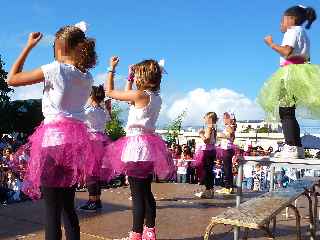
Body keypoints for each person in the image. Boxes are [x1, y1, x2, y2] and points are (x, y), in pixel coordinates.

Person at [6, 22, 106, 240]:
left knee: (52, 211)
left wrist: (28, 46)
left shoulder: (55, 69)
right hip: (75, 144)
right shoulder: (86, 77)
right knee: (68, 207)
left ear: (59, 47)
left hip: (53, 142)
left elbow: (12, 79)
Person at [103, 57, 175, 240]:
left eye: (136, 76)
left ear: (141, 77)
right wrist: (129, 77)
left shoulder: (140, 96)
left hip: (136, 148)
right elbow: (130, 97)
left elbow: (109, 91)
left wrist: (111, 69)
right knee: (146, 192)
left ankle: (135, 234)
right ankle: (150, 231)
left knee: (137, 196)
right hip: (149, 148)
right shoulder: (155, 98)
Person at [258, 5, 319, 158]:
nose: (280, 24)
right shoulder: (303, 33)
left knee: (285, 111)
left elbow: (287, 52)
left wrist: (271, 43)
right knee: (289, 111)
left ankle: (291, 146)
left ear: (291, 19)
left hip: (290, 73)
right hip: (300, 72)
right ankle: (296, 146)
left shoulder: (293, 31)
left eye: (282, 20)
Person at [79, 85, 112, 212]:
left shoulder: (88, 111)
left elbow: (79, 119)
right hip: (102, 140)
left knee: (90, 172)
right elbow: (108, 118)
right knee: (95, 171)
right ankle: (96, 200)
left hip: (92, 141)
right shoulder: (103, 111)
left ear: (91, 96)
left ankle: (93, 201)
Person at [194, 112, 217, 199]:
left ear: (209, 119)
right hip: (211, 150)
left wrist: (201, 134)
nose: (204, 119)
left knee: (206, 171)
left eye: (205, 118)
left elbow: (206, 140)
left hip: (207, 151)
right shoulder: (214, 128)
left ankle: (208, 191)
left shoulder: (209, 128)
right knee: (209, 171)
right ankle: (209, 190)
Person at [216, 112, 235, 195]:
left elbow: (231, 138)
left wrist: (221, 135)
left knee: (227, 169)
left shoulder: (229, 127)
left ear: (228, 119)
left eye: (224, 118)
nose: (223, 120)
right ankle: (229, 187)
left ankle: (228, 187)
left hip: (227, 149)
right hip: (227, 149)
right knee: (227, 168)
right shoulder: (229, 127)